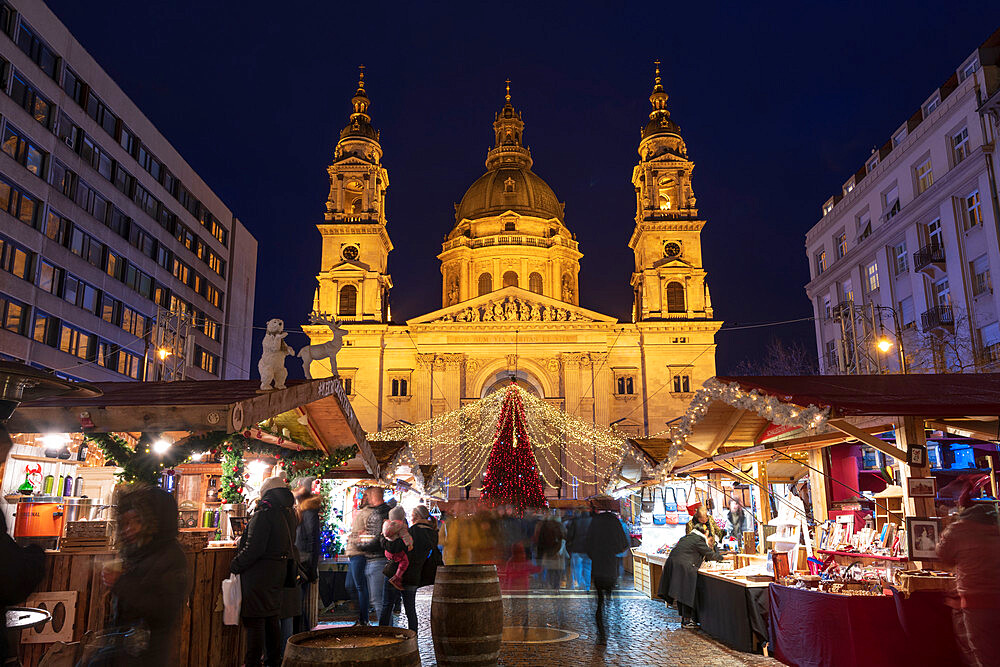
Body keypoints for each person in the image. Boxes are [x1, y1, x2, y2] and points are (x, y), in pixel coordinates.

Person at [88, 486, 188, 667]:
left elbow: (164, 610)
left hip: (146, 654)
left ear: (155, 522)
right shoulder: (140, 553)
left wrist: (121, 583)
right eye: (125, 523)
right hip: (127, 651)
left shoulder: (172, 557)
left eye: (136, 521)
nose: (128, 528)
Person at [230, 476, 296, 667]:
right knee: (271, 618)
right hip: (277, 573)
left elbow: (254, 548)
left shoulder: (265, 513)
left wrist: (235, 565)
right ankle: (273, 661)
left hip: (258, 576)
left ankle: (253, 662)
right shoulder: (287, 513)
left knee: (256, 621)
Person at [937, 503, 1000, 666]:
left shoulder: (958, 529)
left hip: (975, 601)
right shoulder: (995, 528)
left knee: (983, 653)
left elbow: (943, 556)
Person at [379, 505, 438, 632]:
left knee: (387, 605)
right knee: (410, 609)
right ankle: (413, 636)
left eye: (411, 516)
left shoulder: (413, 532)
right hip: (414, 575)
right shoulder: (432, 533)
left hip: (396, 573)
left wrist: (383, 539)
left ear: (416, 516)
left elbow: (395, 547)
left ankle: (382, 634)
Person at [658, 530, 724, 628]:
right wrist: (724, 558)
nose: (711, 544)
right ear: (707, 535)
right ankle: (687, 621)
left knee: (681, 592)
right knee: (687, 593)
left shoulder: (688, 538)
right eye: (711, 541)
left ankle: (685, 620)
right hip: (684, 567)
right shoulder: (699, 540)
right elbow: (711, 555)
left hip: (675, 565)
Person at [585, 502, 630, 645]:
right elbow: (623, 544)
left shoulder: (594, 522)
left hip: (598, 567)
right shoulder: (615, 522)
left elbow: (588, 545)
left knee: (599, 603)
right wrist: (613, 552)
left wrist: (596, 555)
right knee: (612, 601)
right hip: (611, 567)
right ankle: (615, 633)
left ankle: (602, 634)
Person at [292, 476, 321, 633]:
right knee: (297, 602)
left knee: (297, 602)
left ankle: (302, 634)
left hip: (303, 561)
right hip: (302, 559)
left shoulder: (308, 510)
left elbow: (311, 539)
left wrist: (311, 566)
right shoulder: (304, 509)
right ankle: (302, 633)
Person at [359, 486, 391, 623]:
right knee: (381, 601)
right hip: (380, 560)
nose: (367, 499)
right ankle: (387, 630)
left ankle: (386, 633)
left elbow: (375, 539)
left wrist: (361, 542)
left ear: (373, 496)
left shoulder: (378, 514)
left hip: (377, 560)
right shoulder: (386, 511)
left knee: (379, 601)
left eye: (368, 496)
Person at [345, 496, 373, 625]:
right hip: (354, 553)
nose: (362, 497)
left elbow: (369, 535)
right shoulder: (362, 512)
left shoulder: (368, 513)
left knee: (359, 586)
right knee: (351, 585)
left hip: (359, 553)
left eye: (366, 495)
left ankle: (364, 618)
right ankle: (362, 615)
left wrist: (356, 539)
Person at [382, 506, 413, 590]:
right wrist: (409, 544)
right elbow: (405, 536)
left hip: (387, 553)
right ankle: (397, 577)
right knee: (405, 562)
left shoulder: (386, 524)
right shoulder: (401, 526)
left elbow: (382, 537)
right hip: (397, 554)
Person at [534, 512, 565, 590]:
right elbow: (564, 536)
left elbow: (541, 540)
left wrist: (541, 552)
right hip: (557, 550)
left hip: (549, 551)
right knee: (557, 570)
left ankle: (550, 584)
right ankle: (556, 586)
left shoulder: (545, 526)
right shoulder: (559, 526)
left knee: (550, 569)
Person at [565, 510, 592, 591]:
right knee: (587, 567)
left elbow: (570, 535)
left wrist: (569, 545)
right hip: (588, 548)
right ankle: (587, 586)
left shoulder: (575, 521)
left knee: (577, 567)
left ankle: (579, 583)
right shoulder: (591, 521)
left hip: (576, 548)